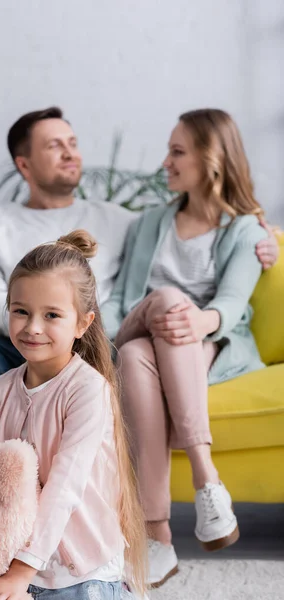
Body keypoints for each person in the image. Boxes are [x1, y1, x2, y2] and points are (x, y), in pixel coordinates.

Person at [0, 105, 277, 588]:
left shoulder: (117, 219)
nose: (72, 152)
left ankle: (178, 505)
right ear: (24, 164)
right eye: (56, 145)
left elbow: (183, 251)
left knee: (140, 337)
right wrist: (33, 324)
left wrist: (264, 236)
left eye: (73, 142)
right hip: (1, 343)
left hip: (87, 341)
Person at [101, 108, 280, 589]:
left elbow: (230, 304)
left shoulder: (245, 231)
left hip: (200, 346)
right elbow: (118, 306)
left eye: (177, 152)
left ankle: (157, 537)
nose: (166, 161)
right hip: (137, 325)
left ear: (212, 160)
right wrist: (175, 309)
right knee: (164, 303)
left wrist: (199, 319)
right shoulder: (147, 224)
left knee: (140, 359)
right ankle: (207, 480)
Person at [0, 230, 146, 600]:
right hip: (12, 564)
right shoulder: (1, 389)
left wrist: (21, 572)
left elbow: (64, 488)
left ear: (82, 324)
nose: (32, 327)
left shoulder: (87, 390)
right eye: (21, 311)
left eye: (51, 315)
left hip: (77, 573)